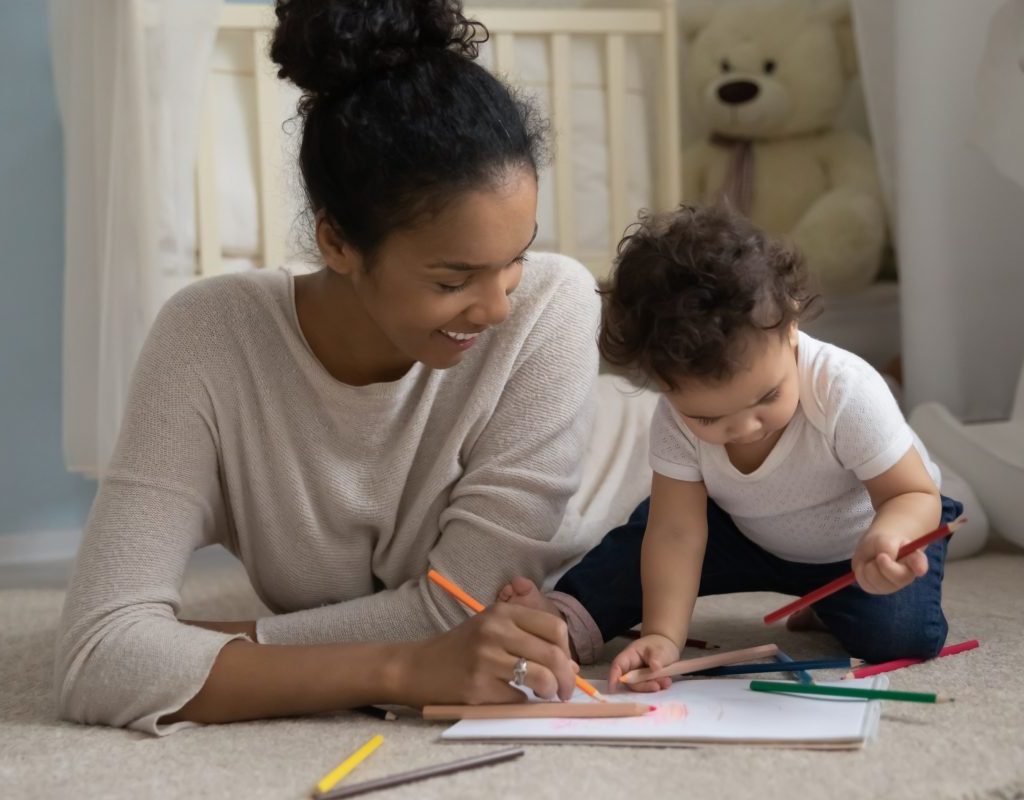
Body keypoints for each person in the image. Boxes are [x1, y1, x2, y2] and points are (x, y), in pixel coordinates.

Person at [55, 0, 651, 734]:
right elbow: (96, 660)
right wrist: (397, 668)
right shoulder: (208, 339)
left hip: (677, 501)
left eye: (515, 259)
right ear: (337, 244)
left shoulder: (549, 307)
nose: (496, 307)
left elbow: (452, 608)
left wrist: (205, 649)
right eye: (451, 280)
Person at [500, 205, 963, 690]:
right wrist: (662, 635)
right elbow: (677, 534)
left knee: (900, 636)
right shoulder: (673, 422)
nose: (744, 428)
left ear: (790, 326)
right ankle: (564, 620)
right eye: (708, 418)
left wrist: (890, 537)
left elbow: (911, 495)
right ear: (663, 387)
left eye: (766, 397)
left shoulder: (843, 389)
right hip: (741, 528)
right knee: (647, 540)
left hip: (856, 540)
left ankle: (830, 600)